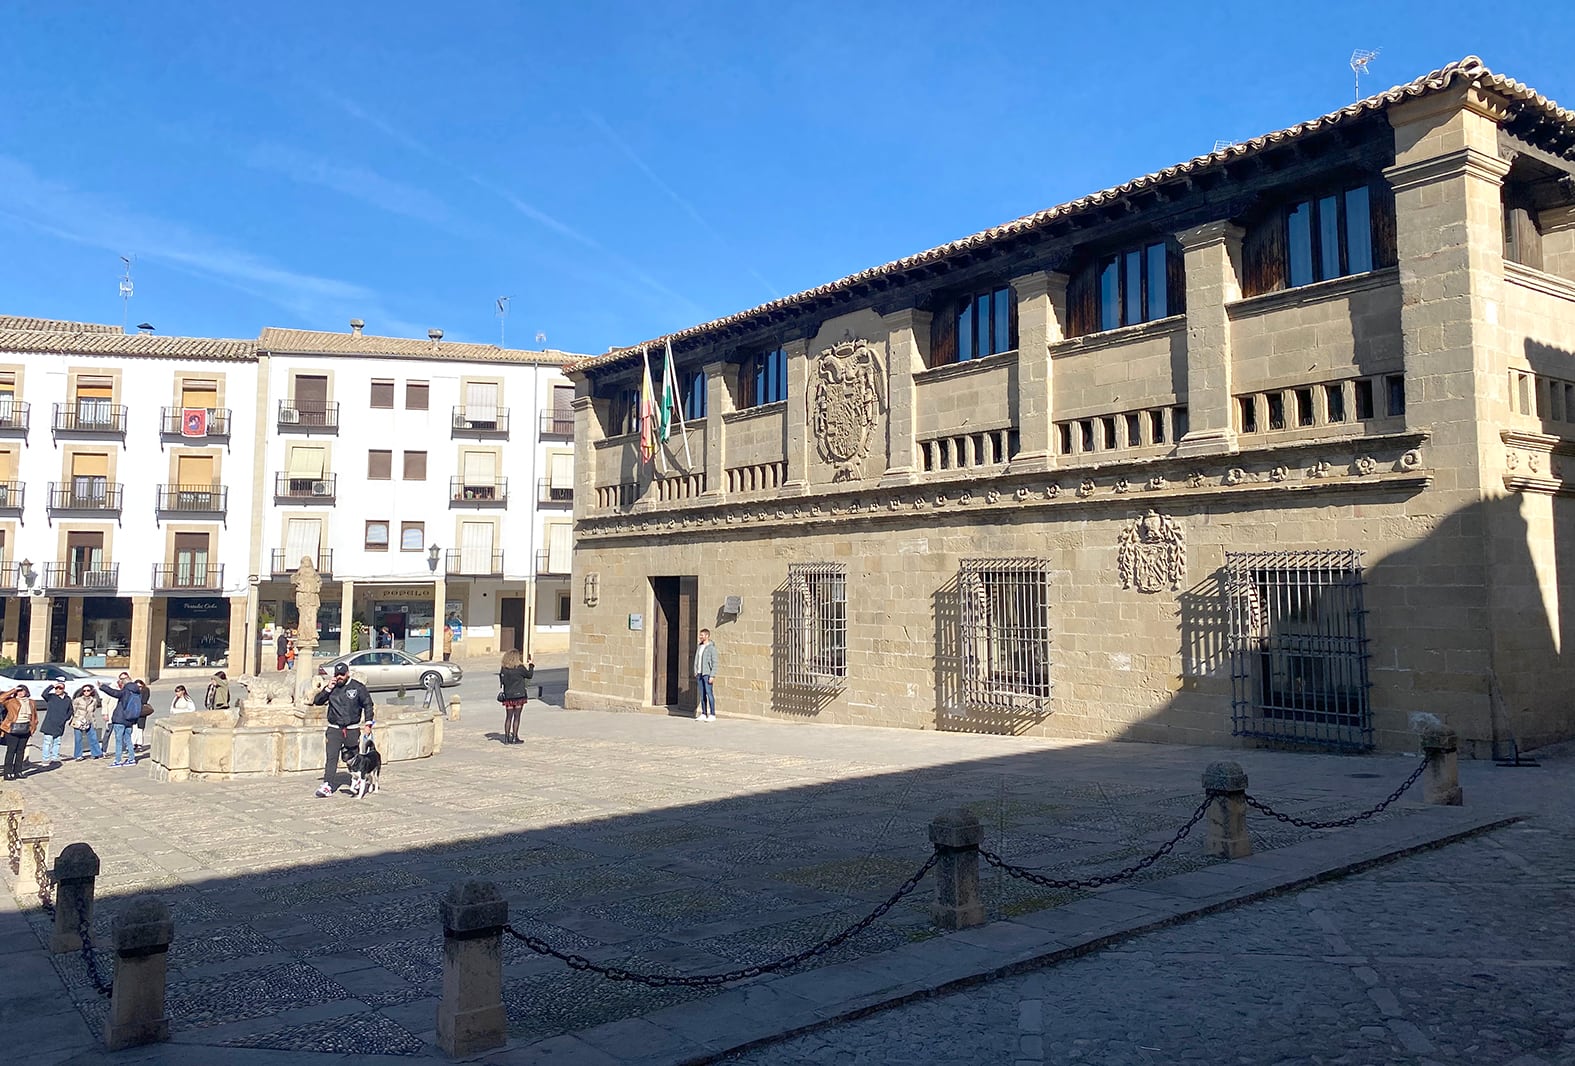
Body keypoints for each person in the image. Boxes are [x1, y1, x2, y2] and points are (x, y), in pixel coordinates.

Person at [310, 660, 375, 798]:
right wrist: (327, 689)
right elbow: (317, 701)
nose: (339, 677)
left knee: (353, 757)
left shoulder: (358, 687)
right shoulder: (331, 687)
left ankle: (356, 780)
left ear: (347, 673)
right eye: (337, 674)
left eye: (342, 674)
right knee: (332, 757)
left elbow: (368, 704)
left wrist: (368, 723)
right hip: (334, 728)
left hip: (351, 728)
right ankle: (327, 784)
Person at [98, 672, 144, 767]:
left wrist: (102, 686)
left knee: (118, 740)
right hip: (130, 719)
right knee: (128, 739)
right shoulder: (137, 692)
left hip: (120, 719)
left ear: (123, 683)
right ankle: (131, 759)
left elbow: (114, 693)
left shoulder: (126, 691)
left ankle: (117, 760)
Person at [497, 649, 535, 745]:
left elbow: (502, 681)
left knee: (508, 717)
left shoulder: (504, 669)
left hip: (508, 696)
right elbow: (529, 675)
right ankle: (514, 737)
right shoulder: (520, 668)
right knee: (517, 717)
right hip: (519, 695)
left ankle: (506, 738)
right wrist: (531, 665)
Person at [0, 685, 34, 780]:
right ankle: (8, 772)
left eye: (22, 691)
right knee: (11, 751)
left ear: (26, 692)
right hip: (12, 728)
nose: (20, 693)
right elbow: (1, 698)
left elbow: (34, 716)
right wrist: (13, 690)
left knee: (20, 751)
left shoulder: (31, 702)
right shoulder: (11, 701)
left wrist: (33, 728)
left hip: (25, 728)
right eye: (19, 691)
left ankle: (18, 771)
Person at [38, 677, 73, 766]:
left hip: (60, 724)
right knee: (47, 742)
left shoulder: (67, 699)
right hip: (49, 723)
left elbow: (70, 711)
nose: (57, 690)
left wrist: (65, 719)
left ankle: (54, 758)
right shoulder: (51, 697)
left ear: (63, 689)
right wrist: (52, 686)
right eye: (56, 688)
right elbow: (44, 694)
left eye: (60, 688)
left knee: (57, 742)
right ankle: (45, 759)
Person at [71, 685, 104, 760]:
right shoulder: (77, 700)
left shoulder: (94, 700)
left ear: (91, 691)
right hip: (78, 720)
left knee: (93, 737)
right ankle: (78, 755)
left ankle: (96, 753)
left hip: (89, 720)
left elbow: (93, 710)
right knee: (78, 738)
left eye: (88, 690)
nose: (86, 692)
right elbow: (73, 709)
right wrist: (77, 717)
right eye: (84, 691)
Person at [694, 629, 719, 721]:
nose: (700, 637)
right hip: (700, 673)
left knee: (709, 693)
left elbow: (715, 662)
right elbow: (696, 659)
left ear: (707, 636)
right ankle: (704, 713)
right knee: (702, 694)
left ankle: (712, 714)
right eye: (700, 635)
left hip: (707, 674)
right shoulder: (699, 647)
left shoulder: (711, 648)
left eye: (702, 635)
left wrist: (712, 675)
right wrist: (695, 670)